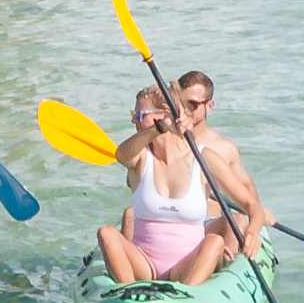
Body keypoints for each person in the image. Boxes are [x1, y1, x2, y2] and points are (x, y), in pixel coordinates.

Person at [91, 81, 223, 289]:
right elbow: (121, 155)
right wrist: (156, 129)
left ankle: (185, 297)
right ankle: (129, 294)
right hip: (146, 264)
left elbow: (245, 196)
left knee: (215, 241)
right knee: (107, 232)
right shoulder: (140, 156)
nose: (135, 120)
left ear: (163, 115)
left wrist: (255, 218)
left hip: (184, 265)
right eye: (133, 114)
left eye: (140, 115)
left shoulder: (203, 154)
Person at [174, 67, 277, 269]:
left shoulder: (223, 147)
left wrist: (256, 218)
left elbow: (246, 185)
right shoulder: (164, 142)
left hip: (208, 222)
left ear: (209, 106)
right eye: (181, 104)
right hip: (170, 219)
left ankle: (225, 270)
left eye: (193, 105)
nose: (186, 111)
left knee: (236, 221)